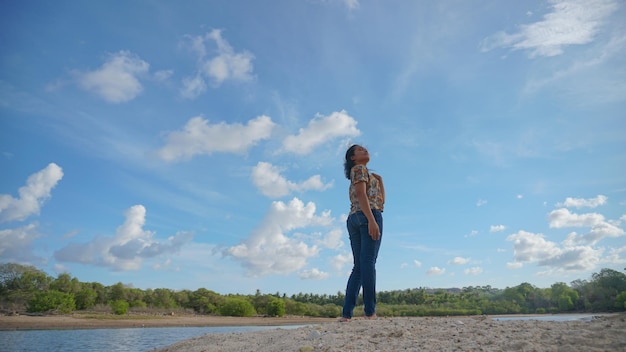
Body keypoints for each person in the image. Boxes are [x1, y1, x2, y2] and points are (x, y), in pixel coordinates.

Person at [340, 144, 385, 322]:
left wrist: (379, 180)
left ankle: (346, 314)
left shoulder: (366, 174)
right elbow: (361, 195)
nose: (365, 150)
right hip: (368, 215)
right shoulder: (359, 169)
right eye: (359, 150)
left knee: (359, 266)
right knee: (367, 263)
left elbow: (382, 201)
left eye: (366, 148)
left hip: (354, 218)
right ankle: (369, 312)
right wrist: (372, 221)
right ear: (352, 157)